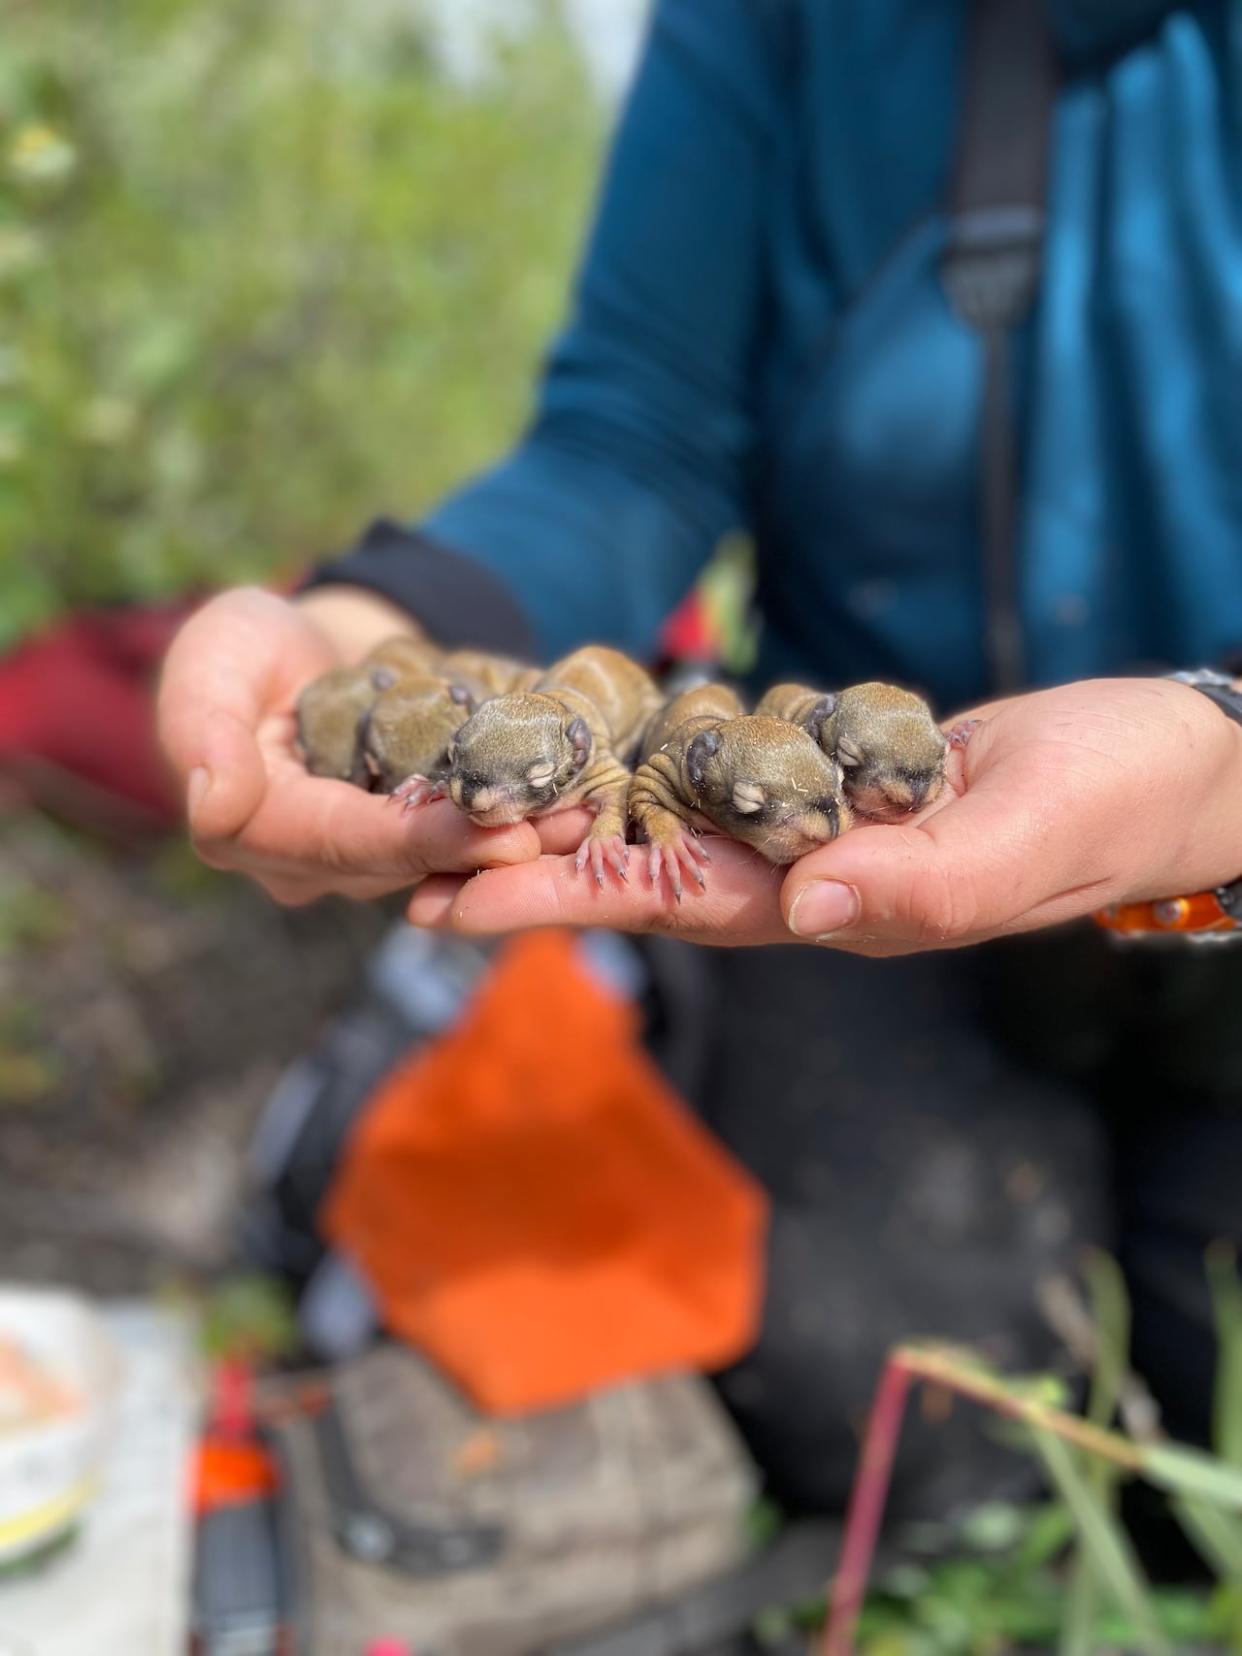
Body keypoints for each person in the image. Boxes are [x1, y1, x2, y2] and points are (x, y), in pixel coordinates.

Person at [159, 0, 1242, 1515]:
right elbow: (634, 434)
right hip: (841, 887)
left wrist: (1220, 752)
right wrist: (375, 621)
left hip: (1223, 839)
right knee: (915, 1420)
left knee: (1207, 1385)